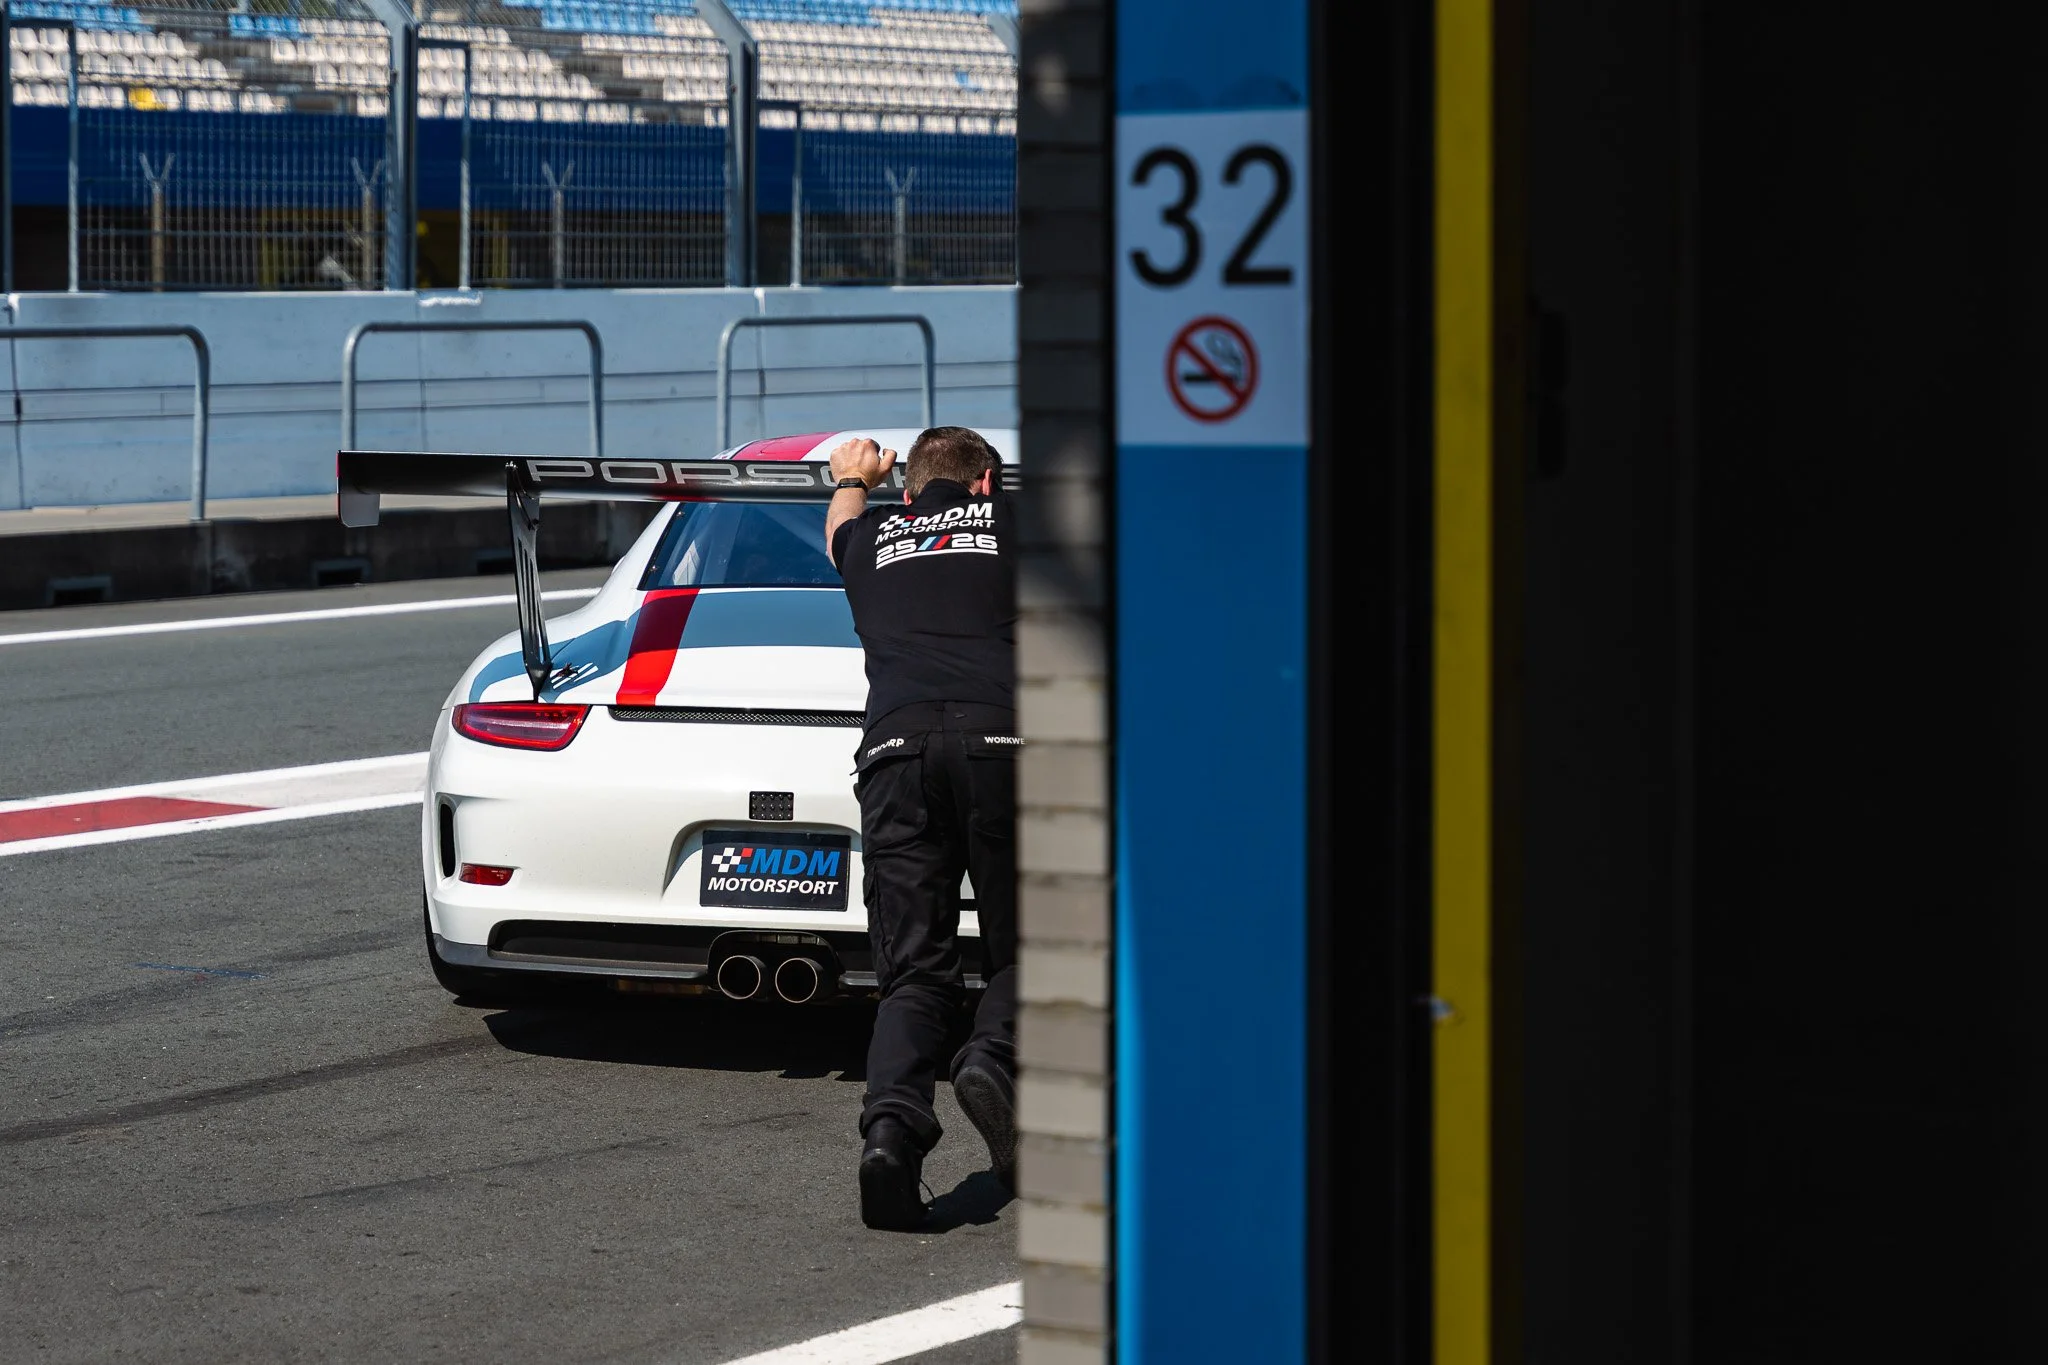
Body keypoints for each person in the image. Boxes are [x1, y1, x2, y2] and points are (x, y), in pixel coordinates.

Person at [825, 427, 1019, 1231]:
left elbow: (839, 525)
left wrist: (851, 474)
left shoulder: (873, 534)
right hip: (1007, 743)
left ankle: (891, 1137)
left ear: (908, 492)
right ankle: (991, 1057)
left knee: (914, 973)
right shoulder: (1017, 522)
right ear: (985, 485)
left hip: (896, 751)